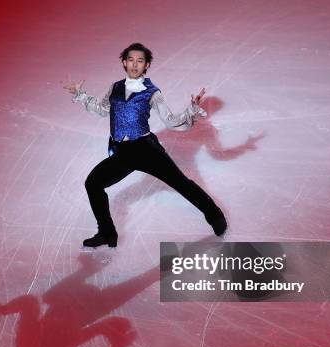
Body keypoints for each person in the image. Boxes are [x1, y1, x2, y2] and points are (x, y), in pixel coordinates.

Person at [64, 43, 227, 248]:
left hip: (146, 150)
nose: (134, 64)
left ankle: (215, 215)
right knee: (93, 183)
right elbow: (104, 109)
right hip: (122, 152)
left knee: (181, 184)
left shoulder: (152, 92)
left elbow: (171, 121)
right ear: (124, 62)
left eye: (140, 60)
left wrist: (191, 109)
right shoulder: (115, 88)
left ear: (147, 65)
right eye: (131, 59)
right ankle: (107, 233)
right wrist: (81, 95)